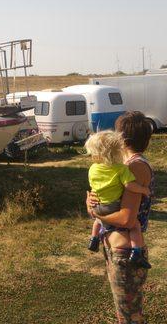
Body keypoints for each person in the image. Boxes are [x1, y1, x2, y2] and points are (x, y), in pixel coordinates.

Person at [86, 111, 154, 324]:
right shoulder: (120, 164)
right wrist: (92, 203)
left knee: (130, 316)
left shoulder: (135, 167)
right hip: (117, 247)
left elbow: (126, 219)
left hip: (124, 252)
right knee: (124, 312)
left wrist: (96, 213)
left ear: (121, 138)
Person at [85, 130, 151, 268]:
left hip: (98, 205)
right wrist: (143, 189)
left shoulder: (92, 169)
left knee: (97, 221)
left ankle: (94, 239)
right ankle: (136, 252)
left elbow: (94, 188)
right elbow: (130, 185)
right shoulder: (121, 169)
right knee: (135, 226)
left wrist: (91, 204)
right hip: (112, 206)